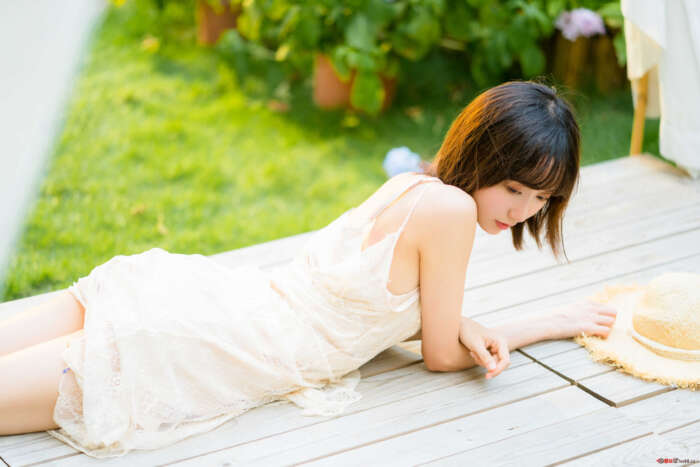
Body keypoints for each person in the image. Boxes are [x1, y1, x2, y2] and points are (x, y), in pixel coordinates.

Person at [0, 80, 618, 457]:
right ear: (483, 155)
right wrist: (549, 322)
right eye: (515, 188)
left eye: (541, 198)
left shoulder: (414, 186)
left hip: (210, 302)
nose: (524, 210)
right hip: (211, 347)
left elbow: (372, 305)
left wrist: (461, 321)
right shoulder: (453, 213)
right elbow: (439, 356)